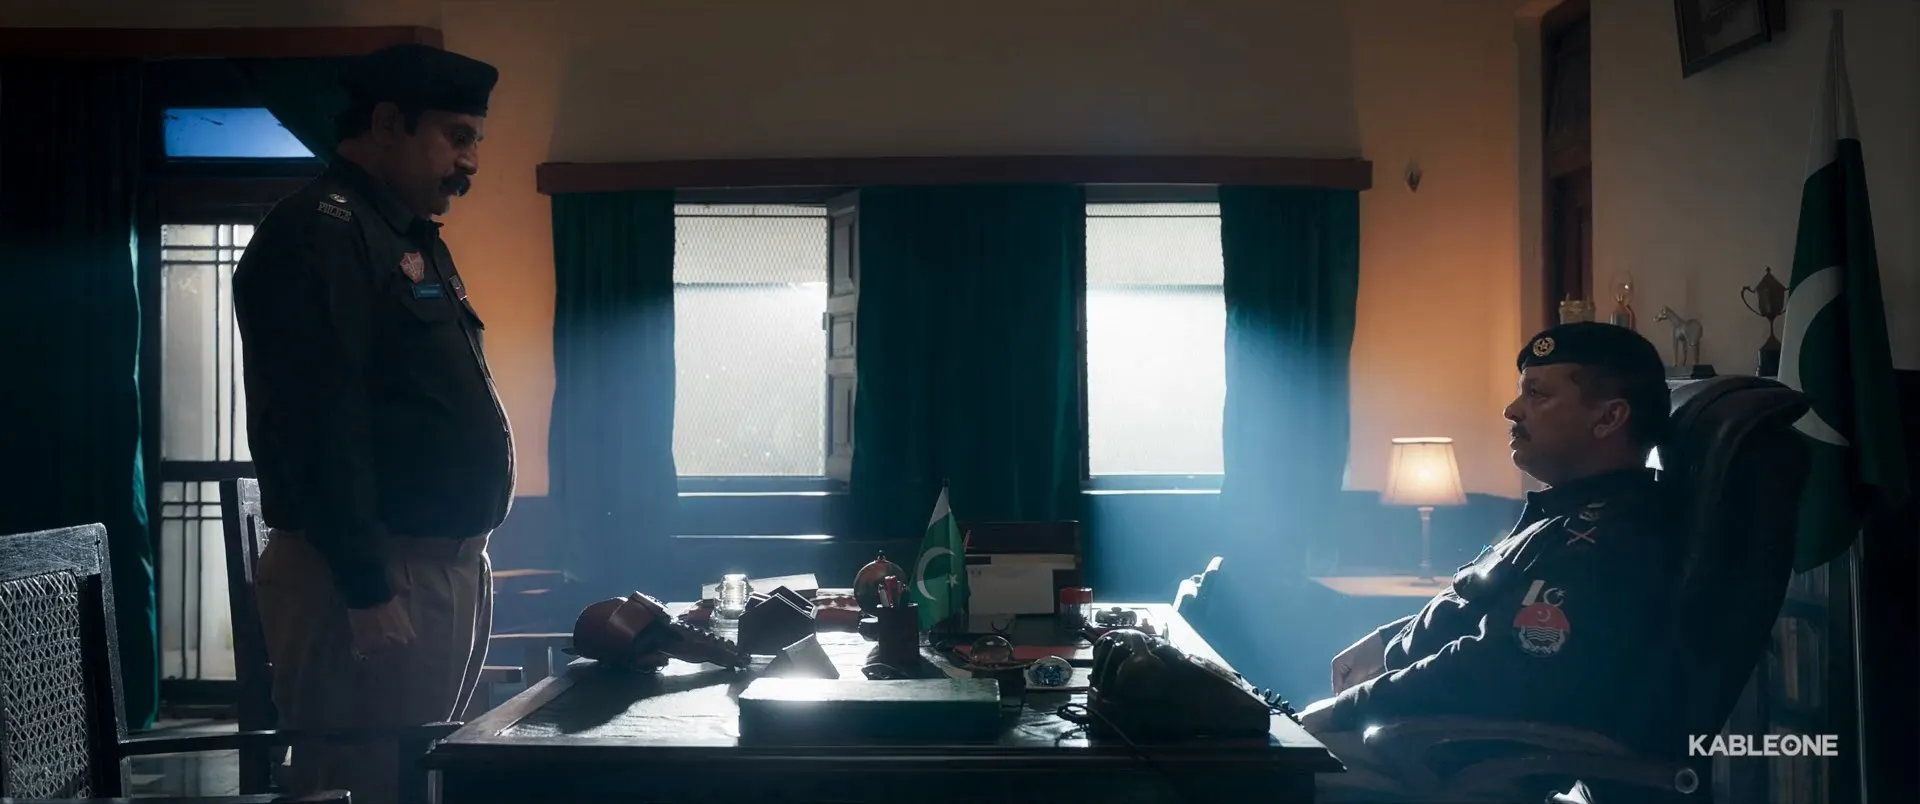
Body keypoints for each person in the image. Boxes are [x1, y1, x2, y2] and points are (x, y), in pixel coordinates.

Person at [232, 43, 514, 801]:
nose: (470, 161)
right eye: (457, 136)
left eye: (476, 139)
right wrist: (365, 587)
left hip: (435, 568)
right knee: (358, 785)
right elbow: (319, 419)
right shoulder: (320, 232)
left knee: (410, 781)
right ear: (388, 123)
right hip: (374, 577)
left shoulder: (403, 234)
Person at [1298, 322, 1679, 800]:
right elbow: (1477, 605)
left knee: (1255, 768)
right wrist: (1388, 643)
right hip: (1434, 742)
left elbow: (1494, 668)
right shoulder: (1563, 514)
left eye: (1538, 394)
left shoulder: (1606, 538)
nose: (1512, 409)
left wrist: (1350, 707)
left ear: (1608, 418)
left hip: (1461, 759)